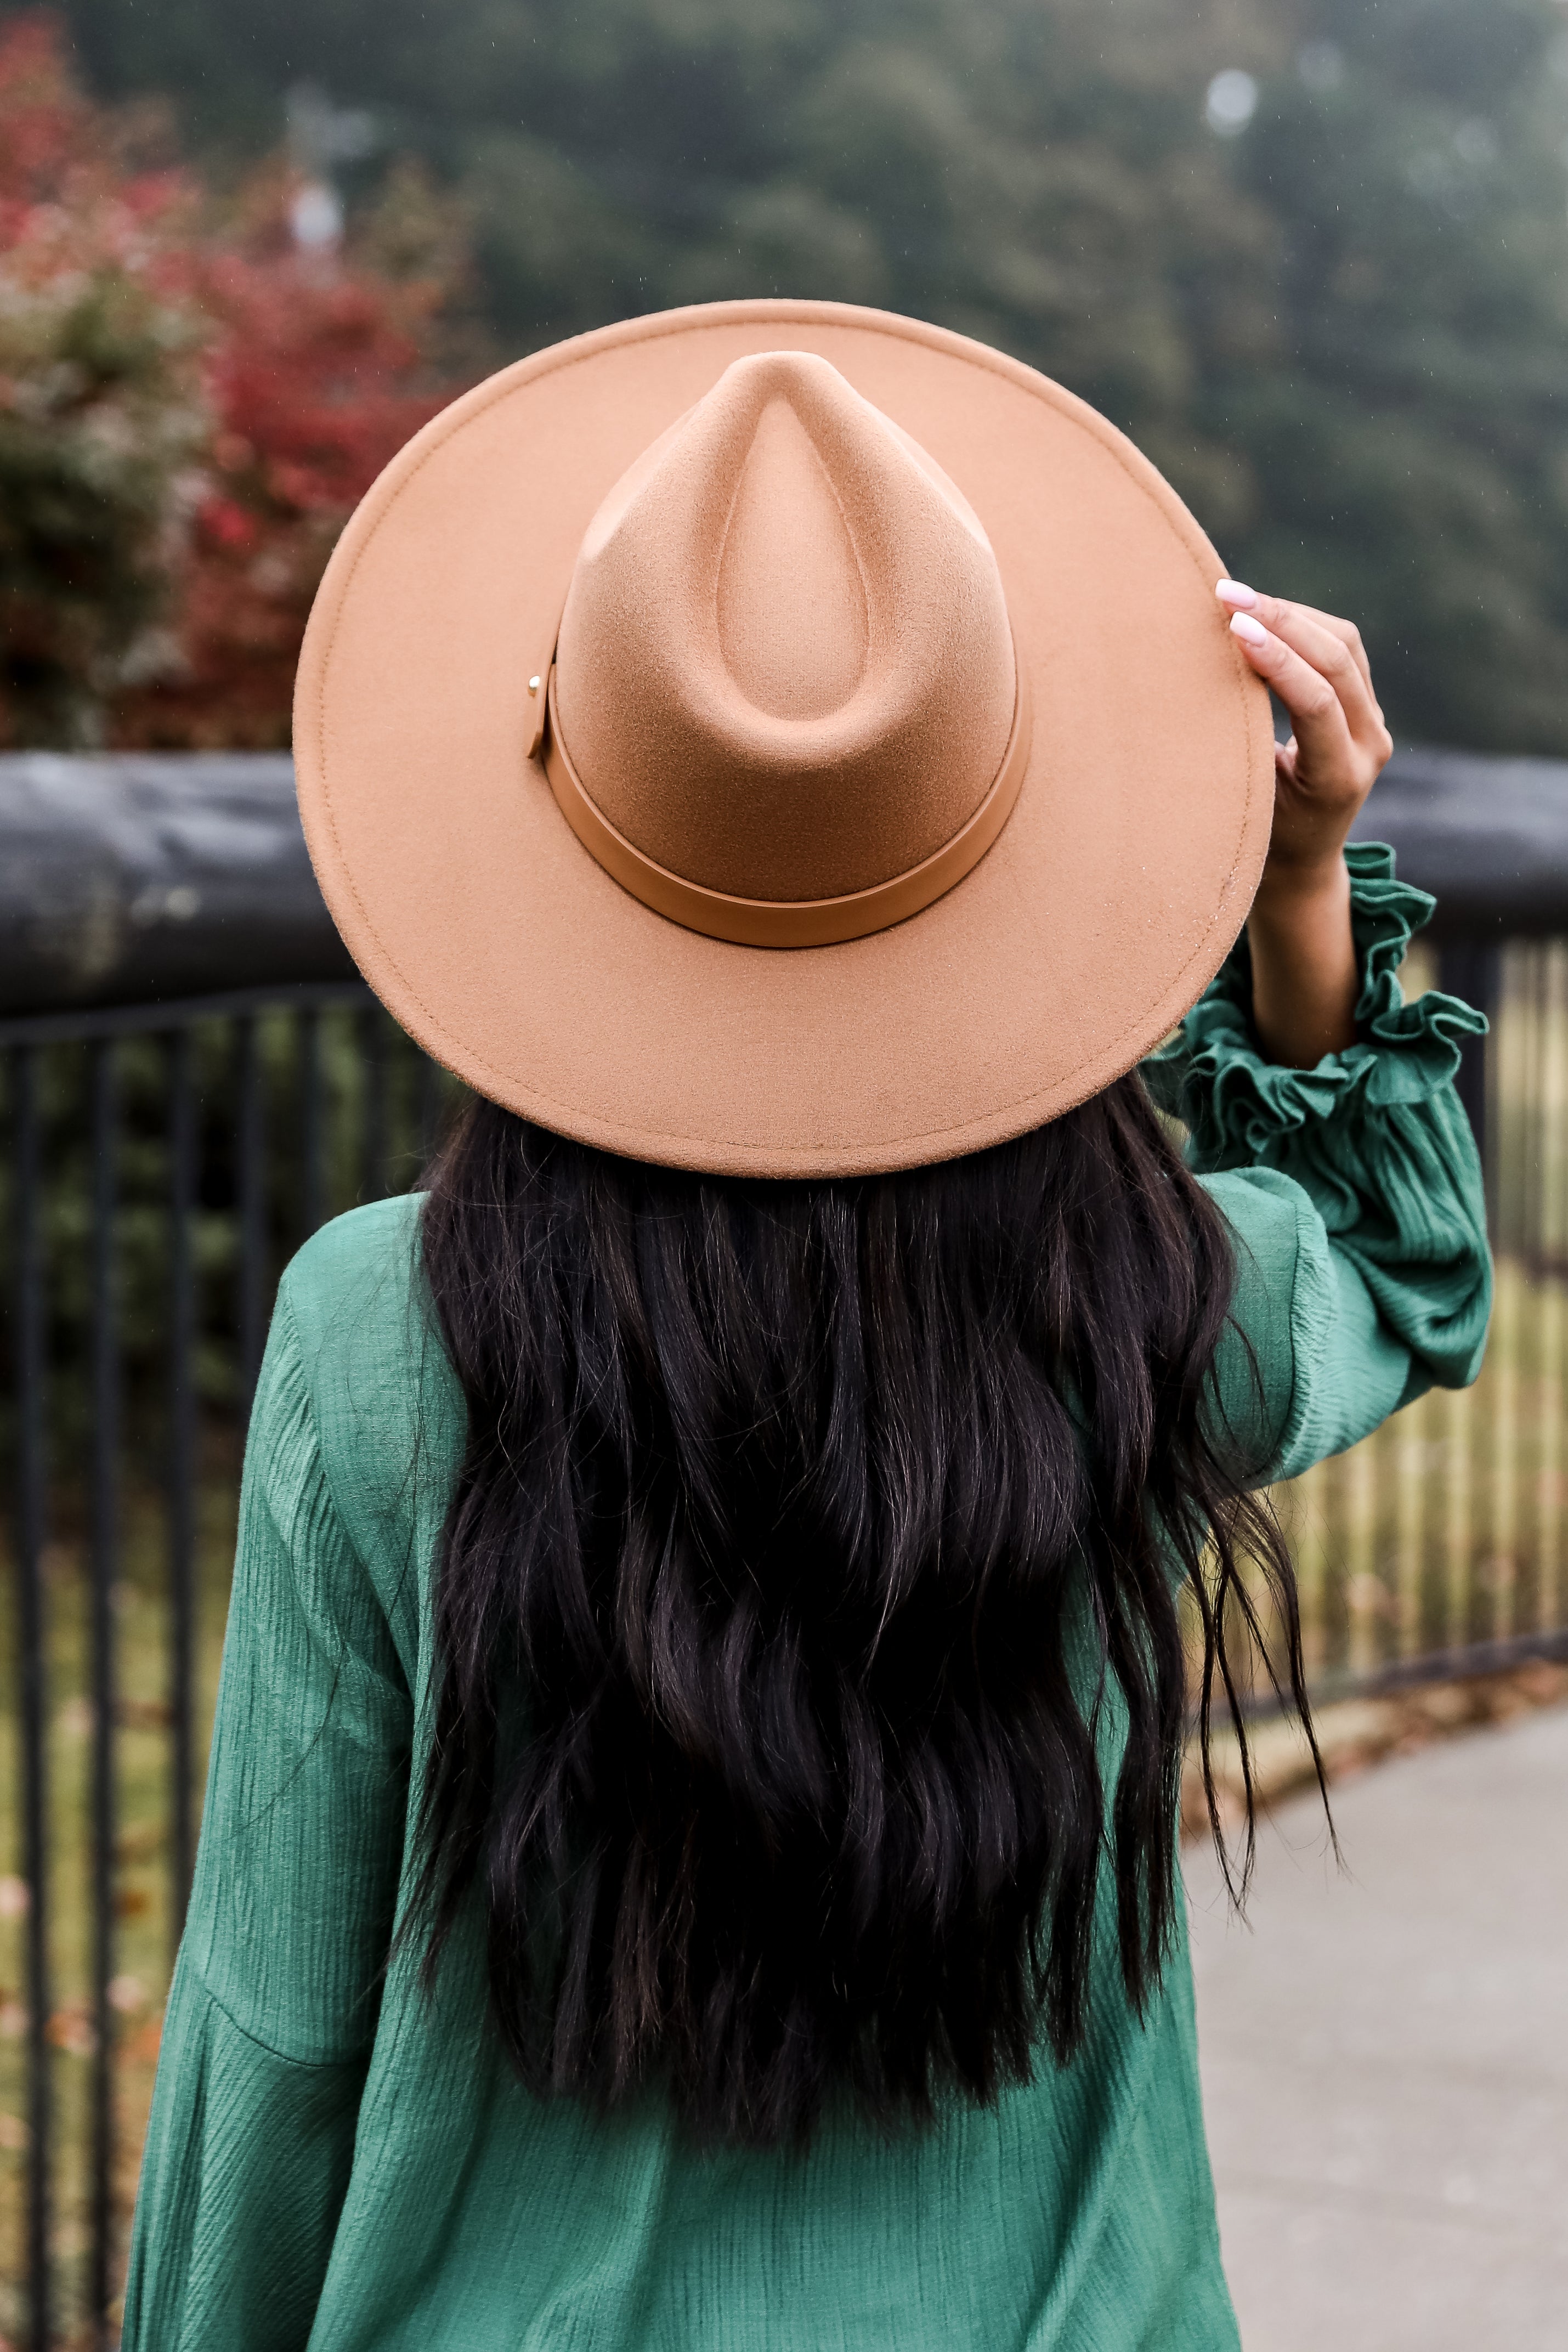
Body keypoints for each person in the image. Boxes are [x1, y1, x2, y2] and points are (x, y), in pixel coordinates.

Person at [122, 304, 1490, 2350]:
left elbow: (279, 2022)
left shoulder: (379, 1336)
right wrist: (1299, 877)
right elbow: (1405, 1260)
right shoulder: (1138, 1313)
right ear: (993, 835)